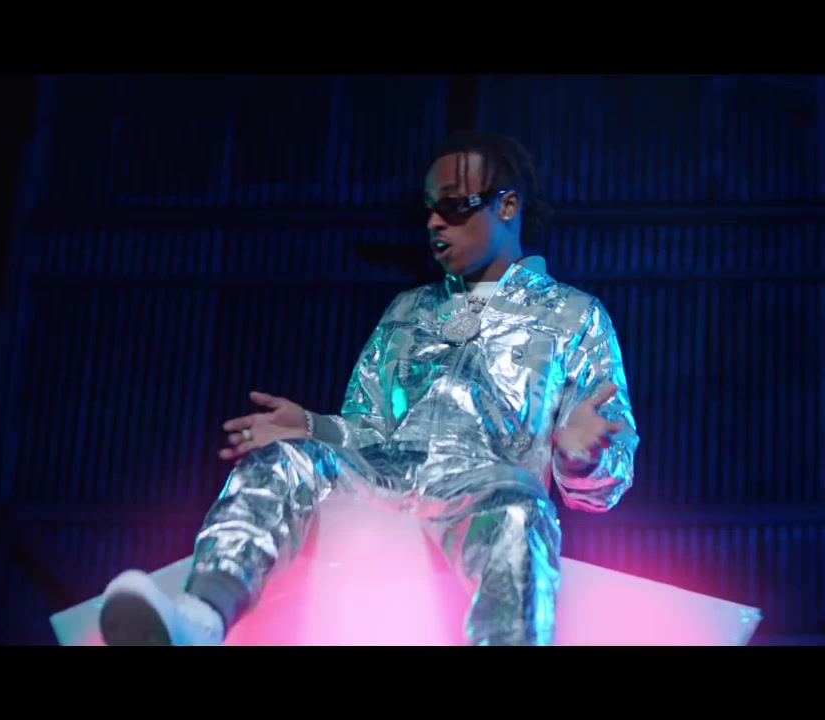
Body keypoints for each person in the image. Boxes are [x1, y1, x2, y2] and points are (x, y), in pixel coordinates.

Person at [96, 130, 639, 647]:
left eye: (454, 205)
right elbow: (368, 427)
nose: (434, 221)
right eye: (428, 208)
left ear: (507, 206)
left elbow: (604, 483)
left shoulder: (573, 315)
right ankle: (202, 616)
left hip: (486, 486)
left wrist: (584, 458)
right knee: (285, 458)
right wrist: (311, 427)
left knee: (520, 511)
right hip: (389, 477)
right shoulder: (408, 310)